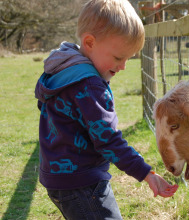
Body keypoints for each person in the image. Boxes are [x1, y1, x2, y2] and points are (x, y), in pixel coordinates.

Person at [34, 0, 178, 219]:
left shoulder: (63, 69)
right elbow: (108, 140)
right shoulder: (89, 84)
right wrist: (146, 173)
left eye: (128, 59)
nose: (122, 66)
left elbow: (47, 108)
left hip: (58, 178)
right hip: (83, 183)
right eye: (119, 57)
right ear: (90, 43)